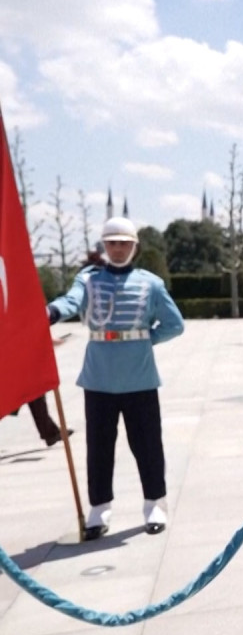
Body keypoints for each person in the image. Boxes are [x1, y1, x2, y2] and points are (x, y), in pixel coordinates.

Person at [46, 217, 185, 540]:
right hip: (99, 378)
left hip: (139, 377)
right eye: (112, 243)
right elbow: (71, 301)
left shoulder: (150, 283)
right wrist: (49, 312)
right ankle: (99, 508)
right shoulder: (89, 279)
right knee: (99, 446)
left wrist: (144, 340)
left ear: (134, 246)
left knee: (148, 445)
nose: (118, 249)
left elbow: (175, 324)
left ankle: (154, 503)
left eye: (124, 243)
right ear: (104, 245)